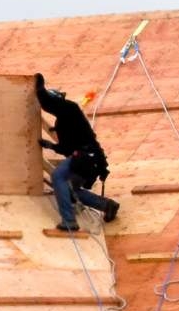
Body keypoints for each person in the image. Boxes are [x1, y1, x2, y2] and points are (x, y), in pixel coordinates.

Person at [35, 73, 119, 232]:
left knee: (58, 176)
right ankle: (107, 205)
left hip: (86, 157)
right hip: (87, 161)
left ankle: (69, 221)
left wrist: (39, 88)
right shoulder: (63, 121)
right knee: (68, 190)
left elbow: (48, 103)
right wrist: (51, 146)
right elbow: (67, 148)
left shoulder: (70, 108)